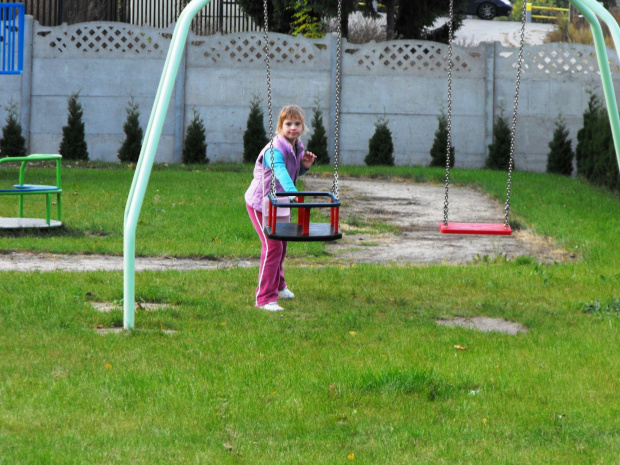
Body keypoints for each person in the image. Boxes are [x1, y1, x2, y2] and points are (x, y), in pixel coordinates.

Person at [245, 105, 317, 312]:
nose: (293, 128)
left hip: (280, 203)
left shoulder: (296, 147)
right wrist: (294, 192)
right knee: (272, 247)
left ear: (303, 126)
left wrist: (304, 166)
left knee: (282, 245)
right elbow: (281, 173)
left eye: (297, 124)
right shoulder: (273, 150)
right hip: (261, 204)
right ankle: (265, 298)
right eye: (288, 124)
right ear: (280, 126)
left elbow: (292, 172)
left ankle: (279, 285)